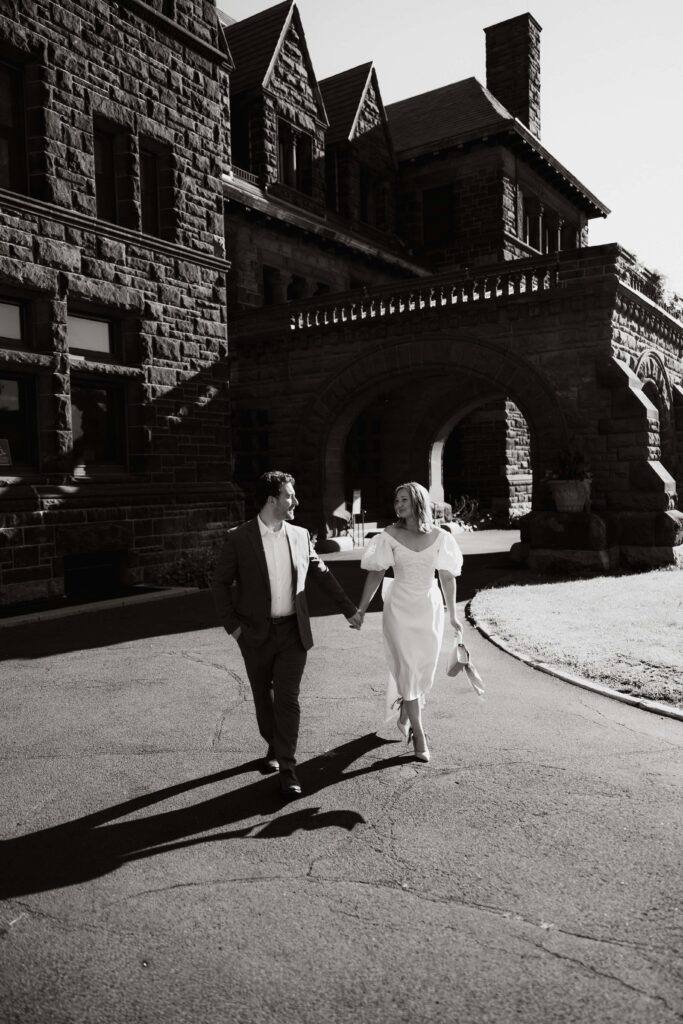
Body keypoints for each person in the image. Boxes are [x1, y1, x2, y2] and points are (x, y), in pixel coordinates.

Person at [212, 471, 363, 798]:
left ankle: (289, 769)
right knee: (264, 703)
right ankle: (274, 745)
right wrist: (234, 627)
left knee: (288, 698)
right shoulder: (239, 538)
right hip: (254, 634)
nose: (295, 501)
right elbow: (220, 583)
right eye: (289, 495)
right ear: (272, 500)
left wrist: (348, 608)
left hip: (294, 633)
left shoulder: (299, 535)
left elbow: (320, 572)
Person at [357, 482, 463, 763]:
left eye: (404, 500)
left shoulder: (441, 537)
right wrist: (362, 609)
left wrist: (453, 614)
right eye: (396, 501)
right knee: (407, 667)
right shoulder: (389, 535)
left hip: (429, 608)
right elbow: (377, 572)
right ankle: (419, 733)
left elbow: (448, 577)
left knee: (422, 671)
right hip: (399, 609)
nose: (398, 505)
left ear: (418, 502)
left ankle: (407, 704)